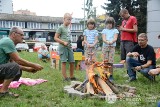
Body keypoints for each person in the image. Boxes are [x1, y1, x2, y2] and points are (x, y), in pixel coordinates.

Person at [0, 26, 43, 98]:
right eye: (21, 35)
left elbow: (12, 62)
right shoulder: (8, 41)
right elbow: (18, 60)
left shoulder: (8, 42)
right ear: (14, 34)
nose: (23, 37)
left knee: (17, 71)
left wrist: (28, 69)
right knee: (15, 67)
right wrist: (34, 65)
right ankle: (3, 92)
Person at [54, 13, 76, 81]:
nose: (69, 21)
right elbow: (55, 38)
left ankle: (71, 76)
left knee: (72, 61)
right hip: (63, 47)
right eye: (68, 19)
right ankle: (65, 78)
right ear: (64, 19)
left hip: (69, 47)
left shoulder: (68, 28)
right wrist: (63, 42)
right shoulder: (61, 27)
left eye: (70, 20)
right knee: (63, 62)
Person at [102, 17, 119, 81]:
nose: (109, 25)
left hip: (112, 47)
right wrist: (107, 42)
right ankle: (105, 74)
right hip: (105, 47)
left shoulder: (115, 30)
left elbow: (115, 38)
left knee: (110, 62)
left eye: (110, 23)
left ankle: (111, 75)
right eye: (108, 23)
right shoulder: (104, 30)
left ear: (113, 24)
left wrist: (111, 42)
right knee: (105, 62)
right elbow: (104, 38)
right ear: (106, 24)